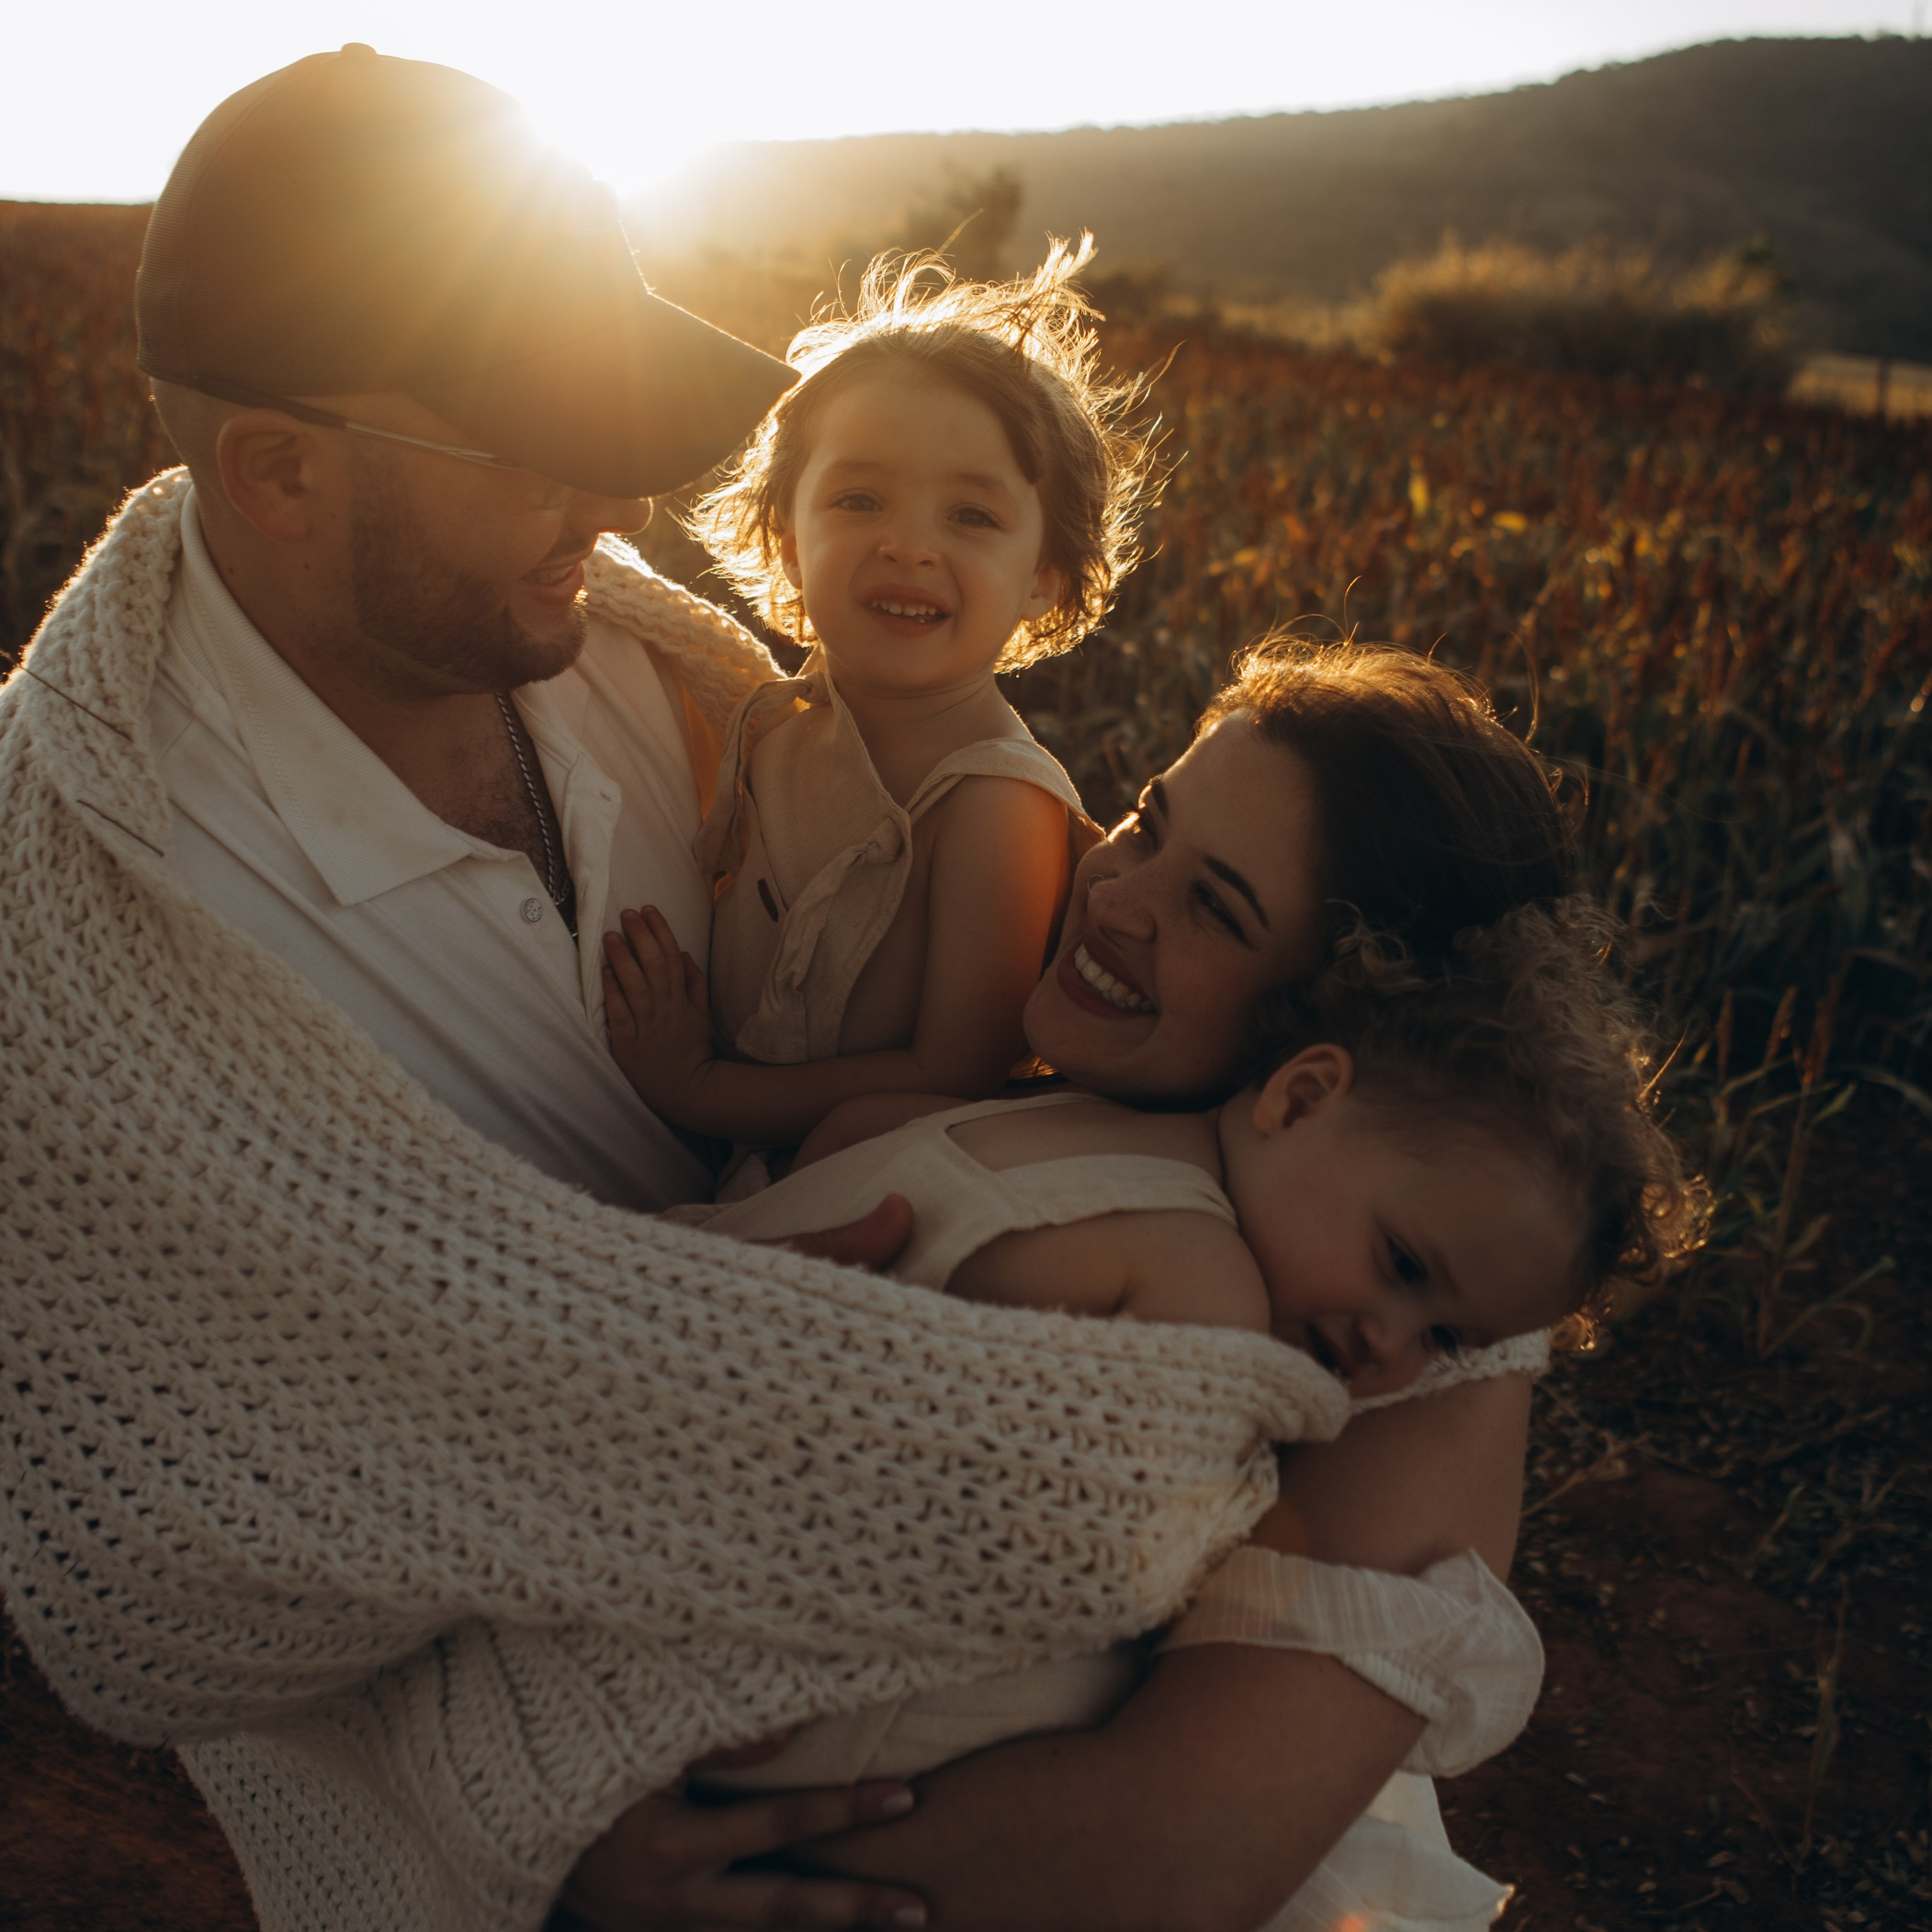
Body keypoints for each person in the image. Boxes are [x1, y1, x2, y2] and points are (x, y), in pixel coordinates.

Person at [0, 50, 1335, 1932]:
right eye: (523, 433)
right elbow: (196, 1547)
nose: (608, 488)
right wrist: (514, 1819)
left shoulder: (633, 667)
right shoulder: (92, 933)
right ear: (280, 471)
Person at [565, 643, 1596, 1932]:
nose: (1114, 893)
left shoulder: (1402, 1348)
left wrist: (612, 1842)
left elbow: (1160, 1864)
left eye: (1217, 908)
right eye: (1150, 819)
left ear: (1334, 1042)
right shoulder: (1047, 1095)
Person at [605, 245, 1152, 1151]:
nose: (908, 545)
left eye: (970, 516)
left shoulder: (991, 801)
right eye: (858, 499)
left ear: (1044, 578)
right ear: (787, 540)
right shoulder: (768, 723)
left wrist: (700, 1090)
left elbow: (952, 1073)